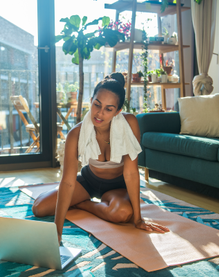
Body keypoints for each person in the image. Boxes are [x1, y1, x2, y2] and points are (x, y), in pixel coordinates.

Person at [32, 73, 169, 243]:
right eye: (97, 104)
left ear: (118, 111)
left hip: (117, 186)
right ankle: (74, 198)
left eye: (108, 109)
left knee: (122, 214)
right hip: (89, 180)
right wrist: (57, 231)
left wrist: (138, 219)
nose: (99, 113)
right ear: (91, 100)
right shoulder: (76, 133)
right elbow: (68, 181)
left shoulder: (130, 124)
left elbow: (131, 173)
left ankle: (83, 204)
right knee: (39, 208)